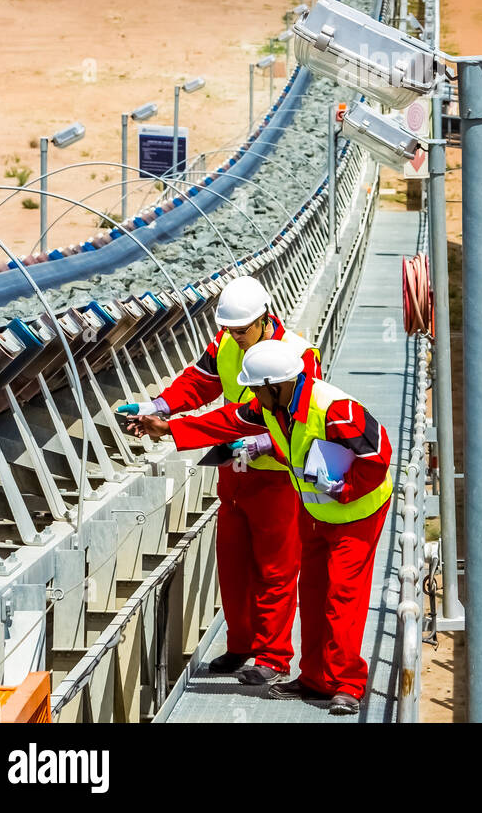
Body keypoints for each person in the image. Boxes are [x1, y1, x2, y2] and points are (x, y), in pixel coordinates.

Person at [118, 275, 320, 689]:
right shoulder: (228, 341)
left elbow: (293, 415)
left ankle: (273, 655)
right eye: (228, 330)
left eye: (240, 331)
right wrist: (156, 407)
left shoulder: (298, 355)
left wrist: (256, 442)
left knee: (275, 568)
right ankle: (242, 644)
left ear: (265, 320)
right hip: (235, 470)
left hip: (277, 477)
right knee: (232, 562)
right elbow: (199, 383)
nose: (233, 338)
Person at [224, 339, 393, 716]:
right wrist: (165, 423)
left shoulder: (336, 409)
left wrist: (344, 490)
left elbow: (378, 454)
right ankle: (315, 677)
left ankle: (347, 683)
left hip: (356, 515)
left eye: (255, 389)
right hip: (315, 512)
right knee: (313, 590)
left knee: (342, 597)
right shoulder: (276, 405)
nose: (251, 396)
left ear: (275, 385)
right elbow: (225, 421)